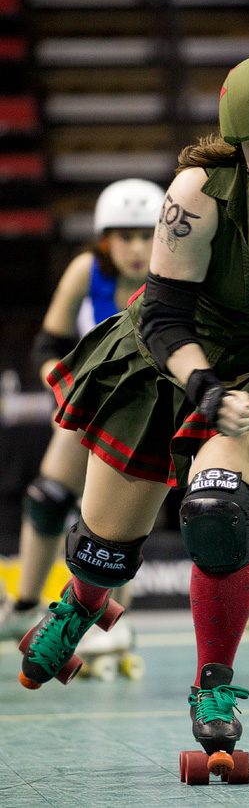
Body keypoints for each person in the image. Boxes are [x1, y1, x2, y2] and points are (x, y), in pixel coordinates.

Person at [17, 54, 249, 772]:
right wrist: (202, 386)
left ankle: (214, 687)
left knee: (216, 509)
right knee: (108, 551)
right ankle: (80, 605)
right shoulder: (198, 192)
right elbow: (165, 318)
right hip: (165, 358)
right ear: (236, 144)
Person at [0, 178, 164, 671]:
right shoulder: (85, 270)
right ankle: (26, 605)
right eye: (124, 236)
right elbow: (47, 347)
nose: (136, 249)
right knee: (48, 498)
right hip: (90, 404)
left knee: (116, 524)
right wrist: (64, 386)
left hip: (147, 413)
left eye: (145, 235)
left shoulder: (173, 275)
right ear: (103, 239)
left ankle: (115, 621)